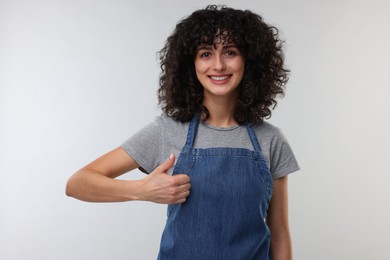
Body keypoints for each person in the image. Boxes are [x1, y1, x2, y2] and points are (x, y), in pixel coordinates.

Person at [66, 5, 300, 260]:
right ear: (191, 64)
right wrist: (140, 190)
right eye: (206, 54)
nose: (218, 65)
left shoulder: (271, 140)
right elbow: (77, 183)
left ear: (250, 61)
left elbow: (279, 233)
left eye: (230, 52)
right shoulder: (167, 132)